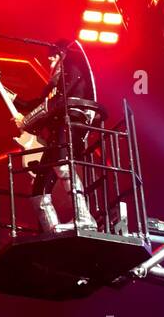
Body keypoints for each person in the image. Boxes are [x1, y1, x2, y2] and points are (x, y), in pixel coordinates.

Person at [13, 42, 100, 234]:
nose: (49, 59)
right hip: (57, 128)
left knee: (62, 165)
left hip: (70, 120)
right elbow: (36, 104)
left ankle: (84, 217)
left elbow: (56, 103)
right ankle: (51, 229)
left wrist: (27, 121)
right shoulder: (55, 81)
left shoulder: (71, 69)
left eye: (52, 55)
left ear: (62, 54)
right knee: (38, 189)